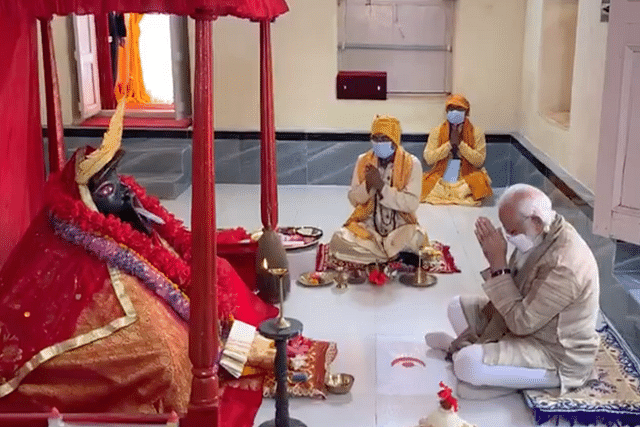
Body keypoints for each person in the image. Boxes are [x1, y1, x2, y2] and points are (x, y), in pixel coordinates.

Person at [0, 101, 278, 425]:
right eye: (108, 189)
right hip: (70, 326)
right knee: (162, 356)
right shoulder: (81, 239)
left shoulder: (129, 222)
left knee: (219, 272)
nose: (124, 194)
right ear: (88, 203)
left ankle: (221, 343)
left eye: (117, 181)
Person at [425, 184, 600, 397]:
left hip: (553, 351)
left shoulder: (566, 265)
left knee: (467, 364)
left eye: (512, 231)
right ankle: (485, 362)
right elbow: (514, 291)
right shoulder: (540, 233)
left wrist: (498, 264)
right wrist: (496, 259)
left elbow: (521, 323)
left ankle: (487, 371)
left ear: (535, 220)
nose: (508, 236)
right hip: (523, 326)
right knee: (456, 306)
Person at [329, 115, 429, 264]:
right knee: (338, 239)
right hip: (369, 231)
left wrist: (382, 187)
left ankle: (376, 257)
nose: (378, 143)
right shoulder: (363, 161)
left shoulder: (412, 164)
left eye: (383, 139)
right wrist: (368, 185)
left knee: (418, 236)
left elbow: (411, 204)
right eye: (375, 138)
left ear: (394, 141)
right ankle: (391, 256)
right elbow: (353, 199)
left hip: (400, 230)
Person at [421, 94, 492, 206]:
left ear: (466, 112)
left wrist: (460, 145)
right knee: (423, 183)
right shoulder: (437, 131)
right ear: (447, 112)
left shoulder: (476, 132)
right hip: (442, 173)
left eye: (459, 109)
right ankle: (455, 194)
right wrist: (448, 145)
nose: (454, 112)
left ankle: (452, 194)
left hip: (464, 175)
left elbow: (479, 161)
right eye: (451, 109)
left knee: (480, 182)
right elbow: (429, 158)